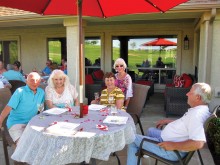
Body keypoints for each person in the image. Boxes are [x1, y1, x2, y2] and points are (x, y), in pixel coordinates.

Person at [127, 82, 212, 165]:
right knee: (151, 130)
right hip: (167, 138)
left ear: (198, 97)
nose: (187, 94)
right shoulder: (200, 110)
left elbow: (198, 143)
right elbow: (186, 125)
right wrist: (168, 121)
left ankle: (141, 149)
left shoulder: (196, 115)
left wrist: (173, 145)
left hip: (172, 151)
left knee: (132, 139)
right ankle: (145, 149)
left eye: (190, 92)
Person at [0, 72, 45, 143]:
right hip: (16, 124)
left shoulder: (41, 92)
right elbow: (9, 107)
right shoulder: (20, 91)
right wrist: (0, 120)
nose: (35, 82)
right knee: (23, 144)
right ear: (26, 81)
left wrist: (41, 119)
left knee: (40, 142)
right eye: (32, 80)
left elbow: (40, 107)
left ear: (40, 81)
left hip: (31, 123)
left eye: (37, 80)